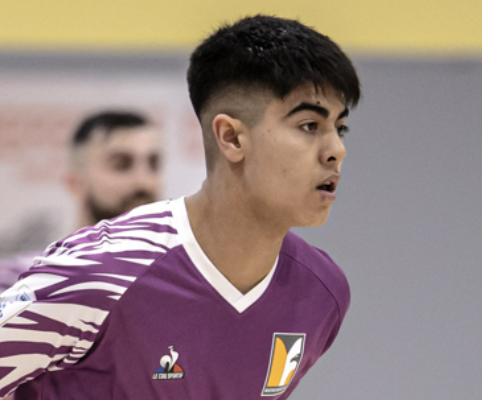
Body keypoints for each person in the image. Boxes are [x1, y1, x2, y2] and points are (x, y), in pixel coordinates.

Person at [0, 15, 360, 399]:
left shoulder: (322, 293)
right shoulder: (103, 270)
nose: (336, 150)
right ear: (231, 138)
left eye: (340, 128)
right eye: (309, 125)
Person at [0, 110, 162, 291]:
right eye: (121, 165)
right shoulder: (19, 282)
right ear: (76, 184)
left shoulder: (177, 280)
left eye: (153, 164)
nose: (144, 181)